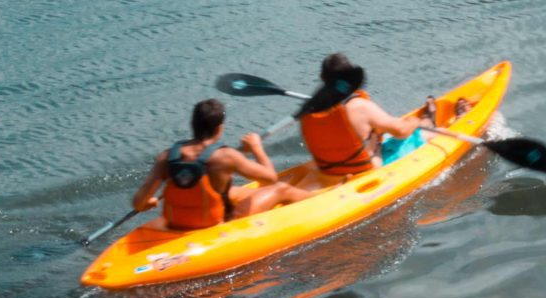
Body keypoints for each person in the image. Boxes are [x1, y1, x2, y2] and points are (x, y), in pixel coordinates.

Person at [131, 98, 311, 231]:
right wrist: (256, 147)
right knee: (281, 188)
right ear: (219, 128)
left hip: (175, 224)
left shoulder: (167, 156)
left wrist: (149, 202)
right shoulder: (226, 156)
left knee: (232, 191)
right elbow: (270, 178)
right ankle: (320, 200)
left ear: (193, 124)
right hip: (213, 224)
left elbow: (138, 203)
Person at [296, 53, 445, 180]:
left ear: (322, 78)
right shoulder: (359, 106)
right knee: (426, 133)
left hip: (330, 173)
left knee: (380, 134)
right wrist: (414, 121)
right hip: (367, 171)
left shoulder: (309, 110)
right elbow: (401, 132)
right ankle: (429, 122)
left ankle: (427, 120)